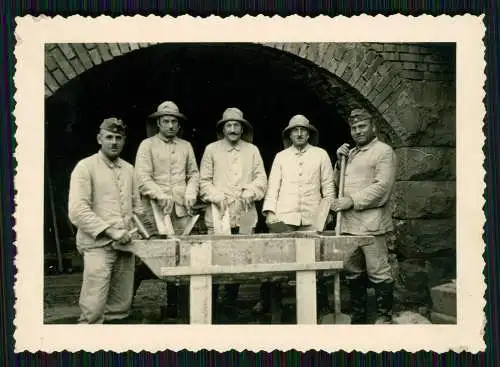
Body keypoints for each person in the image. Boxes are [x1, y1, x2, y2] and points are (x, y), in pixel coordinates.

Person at [258, 114, 335, 314]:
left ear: (309, 134)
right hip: (285, 215)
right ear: (289, 134)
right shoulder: (281, 157)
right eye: (295, 130)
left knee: (316, 260)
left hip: (312, 215)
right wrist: (270, 212)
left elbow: (328, 188)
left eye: (303, 130)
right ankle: (276, 308)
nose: (299, 133)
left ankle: (321, 306)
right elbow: (273, 186)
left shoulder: (321, 154)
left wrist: (327, 212)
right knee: (280, 260)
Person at [68, 117, 141, 324]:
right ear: (99, 138)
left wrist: (137, 233)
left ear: (124, 140)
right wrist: (110, 230)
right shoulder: (85, 167)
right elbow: (77, 210)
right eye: (109, 137)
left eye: (118, 137)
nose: (114, 142)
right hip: (97, 246)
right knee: (94, 309)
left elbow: (138, 207)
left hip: (125, 247)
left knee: (120, 308)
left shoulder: (129, 169)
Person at [331, 108, 397, 324]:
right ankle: (358, 315)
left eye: (362, 126)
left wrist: (352, 201)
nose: (358, 131)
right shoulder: (350, 154)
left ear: (373, 127)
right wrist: (340, 163)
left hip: (372, 225)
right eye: (354, 128)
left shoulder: (383, 152)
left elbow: (382, 187)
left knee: (378, 271)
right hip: (349, 225)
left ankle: (384, 316)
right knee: (352, 272)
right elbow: (338, 183)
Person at [134, 100, 199, 319]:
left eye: (174, 122)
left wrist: (190, 192)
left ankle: (176, 307)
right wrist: (160, 194)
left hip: (180, 211)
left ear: (179, 125)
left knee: (179, 256)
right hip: (154, 210)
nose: (171, 125)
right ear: (158, 123)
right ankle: (124, 306)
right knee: (149, 257)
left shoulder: (186, 146)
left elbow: (194, 174)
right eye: (166, 121)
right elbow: (142, 177)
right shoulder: (147, 145)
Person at [199, 107, 267, 312]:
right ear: (223, 128)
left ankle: (230, 303)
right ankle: (211, 305)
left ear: (242, 128)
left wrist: (251, 191)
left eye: (236, 125)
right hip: (219, 213)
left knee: (239, 256)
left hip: (246, 212)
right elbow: (204, 181)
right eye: (228, 125)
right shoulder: (212, 149)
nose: (233, 129)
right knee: (216, 257)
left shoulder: (252, 150)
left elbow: (261, 179)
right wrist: (216, 195)